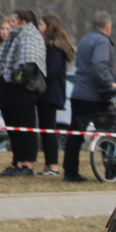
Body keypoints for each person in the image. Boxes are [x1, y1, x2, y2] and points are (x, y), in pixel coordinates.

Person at [64, 11, 116, 183]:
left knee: (75, 135)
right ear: (108, 27)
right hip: (96, 98)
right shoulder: (102, 41)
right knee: (111, 131)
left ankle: (70, 173)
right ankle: (112, 172)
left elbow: (98, 67)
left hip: (79, 95)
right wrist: (110, 84)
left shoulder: (85, 40)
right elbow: (99, 65)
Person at [0, 9, 47, 177]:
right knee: (14, 126)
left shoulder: (29, 35)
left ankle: (27, 164)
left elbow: (29, 63)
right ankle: (17, 161)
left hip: (25, 88)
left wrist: (17, 78)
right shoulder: (16, 35)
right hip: (11, 88)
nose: (11, 24)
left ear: (23, 21)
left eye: (14, 21)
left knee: (25, 125)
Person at [37, 14, 75, 177]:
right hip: (46, 94)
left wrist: (37, 72)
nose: (39, 27)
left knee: (49, 129)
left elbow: (51, 71)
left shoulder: (54, 48)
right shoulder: (48, 46)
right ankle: (49, 164)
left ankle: (53, 165)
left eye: (41, 24)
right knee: (45, 129)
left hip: (50, 94)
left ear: (49, 26)